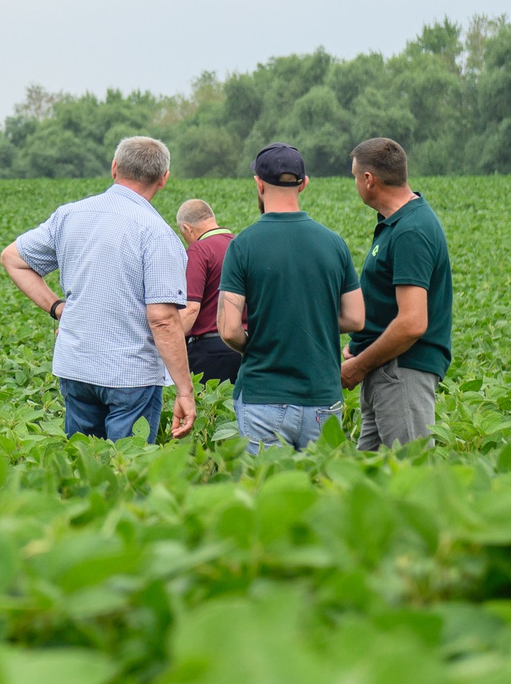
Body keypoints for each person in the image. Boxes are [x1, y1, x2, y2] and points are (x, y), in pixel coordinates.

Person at [0, 136, 196, 442]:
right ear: (164, 179)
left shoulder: (70, 215)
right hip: (131, 373)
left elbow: (12, 258)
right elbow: (162, 318)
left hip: (76, 366)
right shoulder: (157, 233)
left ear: (115, 168)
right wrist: (185, 390)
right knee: (126, 470)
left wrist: (57, 307)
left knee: (83, 466)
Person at [218, 144, 364, 452]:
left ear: (258, 183)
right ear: (304, 183)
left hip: (263, 396)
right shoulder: (334, 243)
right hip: (322, 397)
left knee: (269, 494)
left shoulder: (242, 245)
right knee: (321, 492)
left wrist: (259, 343)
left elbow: (229, 329)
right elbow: (355, 318)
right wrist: (314, 323)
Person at [339, 137, 454, 449]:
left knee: (409, 480)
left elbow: (412, 322)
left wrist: (358, 366)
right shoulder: (397, 224)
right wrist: (357, 348)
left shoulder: (411, 231)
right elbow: (387, 308)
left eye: (354, 177)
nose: (355, 184)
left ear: (368, 180)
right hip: (386, 370)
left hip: (402, 372)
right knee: (372, 482)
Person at [173, 199, 243, 385]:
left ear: (187, 229)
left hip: (210, 353)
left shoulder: (199, 250)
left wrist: (168, 341)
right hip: (246, 347)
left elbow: (190, 309)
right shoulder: (242, 246)